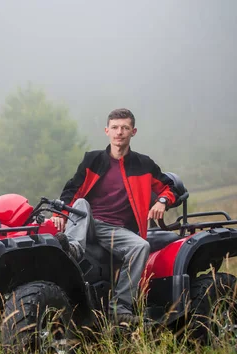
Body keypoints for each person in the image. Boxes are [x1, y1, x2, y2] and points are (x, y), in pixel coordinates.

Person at [51, 108, 179, 324]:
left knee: (140, 246)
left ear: (133, 132)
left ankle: (120, 307)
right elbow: (72, 190)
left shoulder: (144, 164)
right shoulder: (93, 160)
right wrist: (61, 213)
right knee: (81, 202)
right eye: (115, 128)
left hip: (118, 230)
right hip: (87, 221)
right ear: (107, 131)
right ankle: (72, 247)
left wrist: (162, 201)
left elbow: (170, 187)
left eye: (125, 128)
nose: (120, 132)